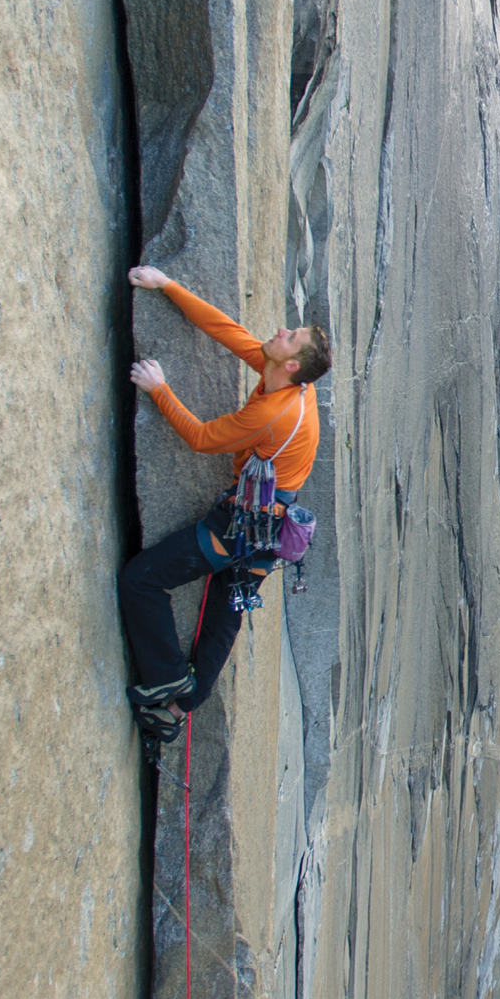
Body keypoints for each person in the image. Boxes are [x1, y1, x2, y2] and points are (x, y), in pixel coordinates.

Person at [117, 264, 330, 744]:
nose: (280, 329)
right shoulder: (292, 383)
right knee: (221, 622)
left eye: (289, 335)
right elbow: (227, 331)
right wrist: (168, 284)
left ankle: (169, 682)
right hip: (269, 527)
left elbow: (200, 438)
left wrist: (159, 390)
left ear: (292, 363)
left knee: (141, 581)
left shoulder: (273, 412)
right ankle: (176, 707)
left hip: (242, 524)